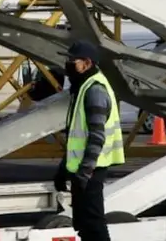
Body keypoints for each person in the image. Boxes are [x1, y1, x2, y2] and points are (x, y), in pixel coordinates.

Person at [53, 41, 124, 241]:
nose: (67, 65)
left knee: (93, 225)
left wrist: (84, 172)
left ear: (86, 63)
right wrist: (64, 168)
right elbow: (78, 137)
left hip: (91, 170)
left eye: (71, 61)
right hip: (84, 170)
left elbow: (96, 136)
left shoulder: (95, 90)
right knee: (84, 226)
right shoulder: (83, 88)